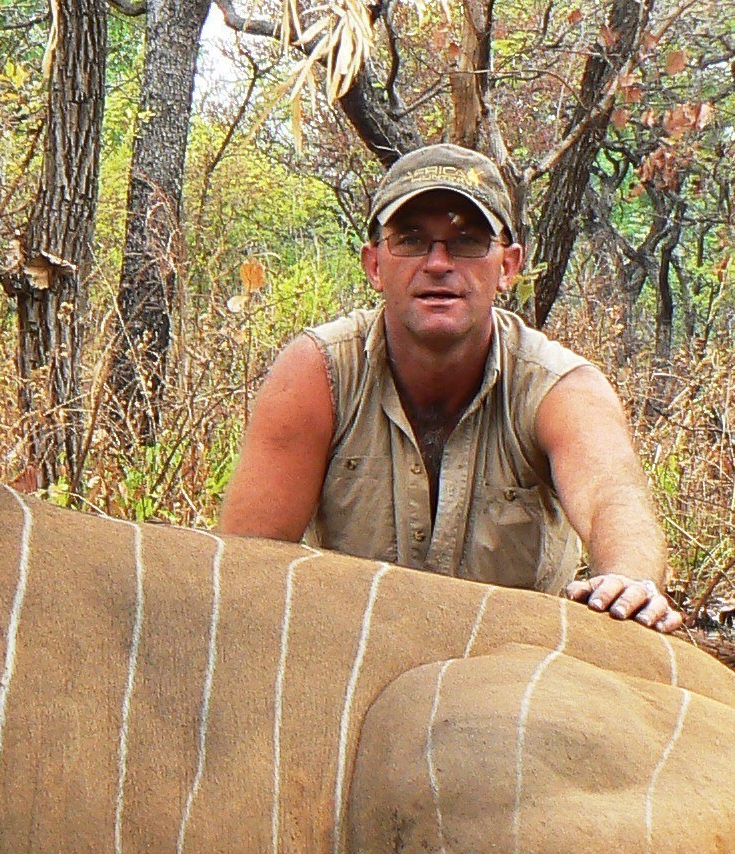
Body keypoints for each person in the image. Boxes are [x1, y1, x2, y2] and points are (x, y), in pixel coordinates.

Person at [216, 143, 683, 632]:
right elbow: (247, 567)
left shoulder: (559, 386)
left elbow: (614, 496)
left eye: (466, 241)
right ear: (374, 264)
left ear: (507, 266)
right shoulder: (319, 372)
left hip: (507, 668)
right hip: (349, 657)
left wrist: (629, 580)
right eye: (412, 240)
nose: (438, 263)